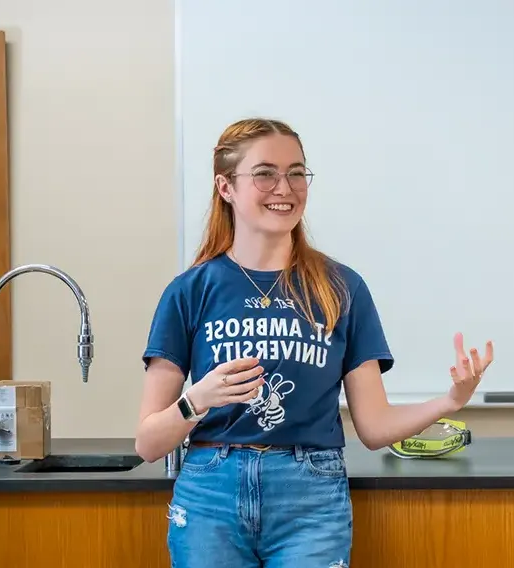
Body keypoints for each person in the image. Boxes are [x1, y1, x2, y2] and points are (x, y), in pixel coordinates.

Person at [133, 117, 494, 568]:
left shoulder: (342, 287)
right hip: (211, 491)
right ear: (226, 187)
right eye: (265, 173)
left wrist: (449, 401)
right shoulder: (189, 291)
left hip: (310, 493)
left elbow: (375, 426)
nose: (285, 187)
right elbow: (147, 444)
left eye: (297, 172)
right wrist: (198, 399)